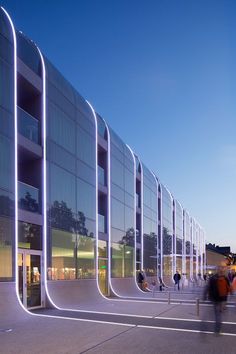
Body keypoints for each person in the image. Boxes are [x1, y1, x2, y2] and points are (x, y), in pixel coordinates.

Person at [205, 267, 230, 334]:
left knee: (217, 314)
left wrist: (206, 296)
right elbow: (228, 289)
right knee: (219, 314)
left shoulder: (212, 278)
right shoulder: (225, 278)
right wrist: (225, 301)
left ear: (216, 271)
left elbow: (207, 287)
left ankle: (217, 329)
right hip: (222, 299)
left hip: (215, 299)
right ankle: (218, 329)